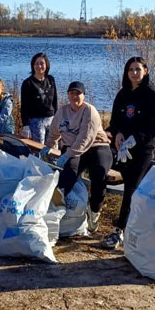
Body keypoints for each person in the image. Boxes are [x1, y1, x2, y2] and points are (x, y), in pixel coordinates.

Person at [103, 57, 155, 248]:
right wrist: (117, 134)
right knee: (99, 167)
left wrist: (136, 138)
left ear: (145, 70)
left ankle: (119, 230)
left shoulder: (151, 94)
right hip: (122, 148)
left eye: (138, 69)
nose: (134, 73)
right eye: (131, 69)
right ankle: (92, 212)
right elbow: (114, 122)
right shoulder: (123, 94)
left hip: (142, 149)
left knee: (131, 188)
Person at [44, 82, 112, 232]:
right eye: (71, 93)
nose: (74, 96)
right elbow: (54, 131)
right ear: (68, 94)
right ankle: (57, 203)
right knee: (70, 170)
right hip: (72, 148)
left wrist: (67, 154)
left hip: (96, 146)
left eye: (78, 93)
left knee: (99, 172)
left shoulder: (89, 111)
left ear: (84, 95)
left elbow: (85, 139)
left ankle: (94, 210)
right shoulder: (62, 111)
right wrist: (49, 145)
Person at [20, 52, 58, 143]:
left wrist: (57, 119)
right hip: (35, 122)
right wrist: (26, 125)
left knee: (53, 148)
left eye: (42, 63)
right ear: (33, 66)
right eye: (36, 64)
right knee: (39, 149)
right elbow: (24, 106)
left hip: (51, 119)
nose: (39, 66)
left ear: (46, 65)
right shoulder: (28, 83)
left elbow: (55, 101)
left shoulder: (51, 79)